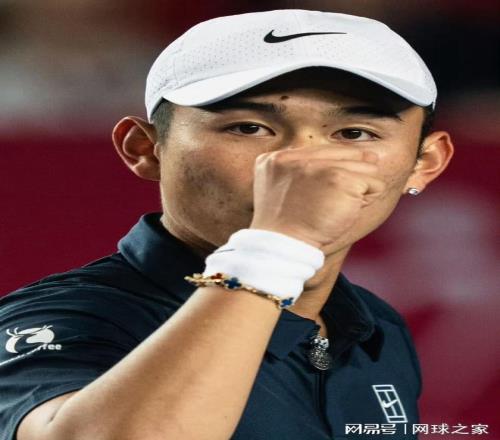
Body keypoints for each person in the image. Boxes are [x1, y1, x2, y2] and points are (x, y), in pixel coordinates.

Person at [0, 9, 454, 440]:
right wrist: (278, 244)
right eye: (248, 128)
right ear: (145, 148)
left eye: (354, 134)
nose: (300, 162)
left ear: (424, 163)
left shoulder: (374, 326)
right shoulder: (60, 317)